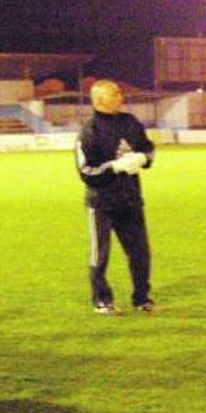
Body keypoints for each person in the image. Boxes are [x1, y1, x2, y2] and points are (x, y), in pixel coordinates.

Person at [75, 79, 156, 315]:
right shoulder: (89, 131)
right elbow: (86, 172)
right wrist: (115, 167)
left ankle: (141, 298)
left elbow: (147, 146)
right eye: (116, 94)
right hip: (102, 203)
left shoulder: (130, 122)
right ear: (101, 100)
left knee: (140, 254)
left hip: (130, 200)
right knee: (100, 255)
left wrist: (144, 158)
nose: (122, 97)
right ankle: (102, 300)